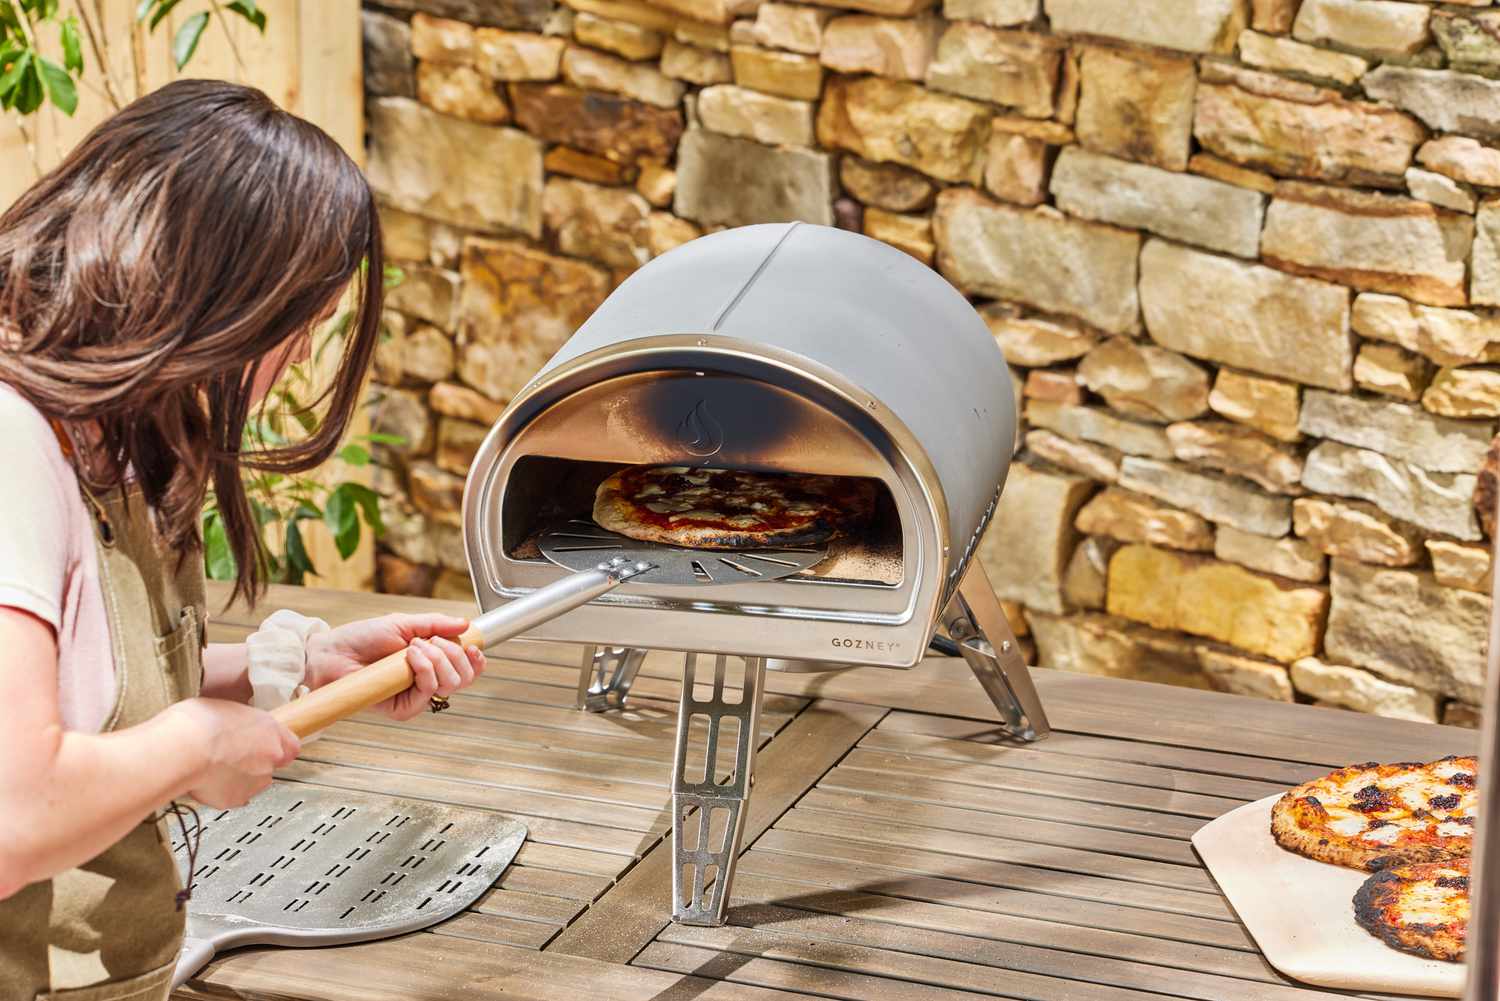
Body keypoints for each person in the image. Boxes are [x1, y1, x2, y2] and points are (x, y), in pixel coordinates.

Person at [0, 80, 486, 1000]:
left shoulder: (104, 429)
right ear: (219, 287)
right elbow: (13, 813)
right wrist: (193, 747)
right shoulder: (11, 446)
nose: (300, 358)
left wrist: (303, 665)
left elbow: (83, 694)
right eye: (301, 323)